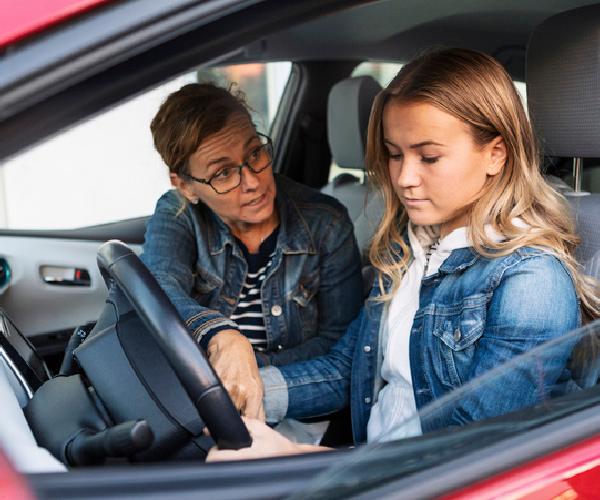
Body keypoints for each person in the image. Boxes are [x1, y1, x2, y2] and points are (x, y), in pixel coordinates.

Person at [207, 48, 600, 460]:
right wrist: (238, 393)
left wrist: (299, 459)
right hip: (374, 465)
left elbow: (473, 453)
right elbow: (350, 370)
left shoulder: (531, 281)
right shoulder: (407, 245)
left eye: (429, 157)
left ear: (495, 155)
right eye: (395, 154)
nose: (404, 178)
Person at [143, 83, 363, 419]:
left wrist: (248, 371)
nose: (253, 182)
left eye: (255, 154)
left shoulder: (326, 223)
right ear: (186, 186)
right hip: (199, 406)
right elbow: (158, 286)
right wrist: (223, 337)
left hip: (297, 409)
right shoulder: (179, 214)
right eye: (223, 173)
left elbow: (340, 345)